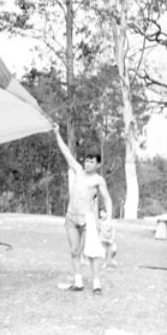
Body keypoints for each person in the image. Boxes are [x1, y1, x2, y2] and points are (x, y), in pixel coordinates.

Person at [53, 123, 113, 295]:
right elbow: (66, 152)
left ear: (98, 164)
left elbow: (107, 199)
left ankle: (96, 284)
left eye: (91, 161)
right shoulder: (78, 171)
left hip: (87, 220)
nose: (87, 164)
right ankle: (78, 282)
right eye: (86, 160)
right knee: (74, 251)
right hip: (71, 218)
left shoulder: (98, 180)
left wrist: (108, 216)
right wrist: (57, 133)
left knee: (92, 252)